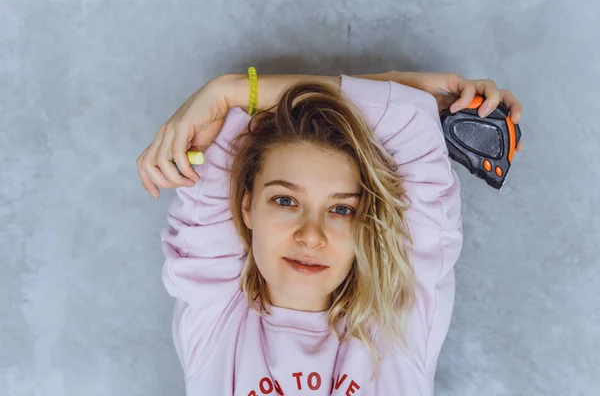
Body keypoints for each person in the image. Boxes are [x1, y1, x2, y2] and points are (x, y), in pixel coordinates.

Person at [136, 70, 523, 395]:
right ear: (246, 207)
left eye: (341, 209)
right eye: (285, 201)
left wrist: (233, 90)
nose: (311, 235)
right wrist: (399, 85)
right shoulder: (217, 320)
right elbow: (409, 115)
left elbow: (412, 118)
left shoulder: (397, 320)